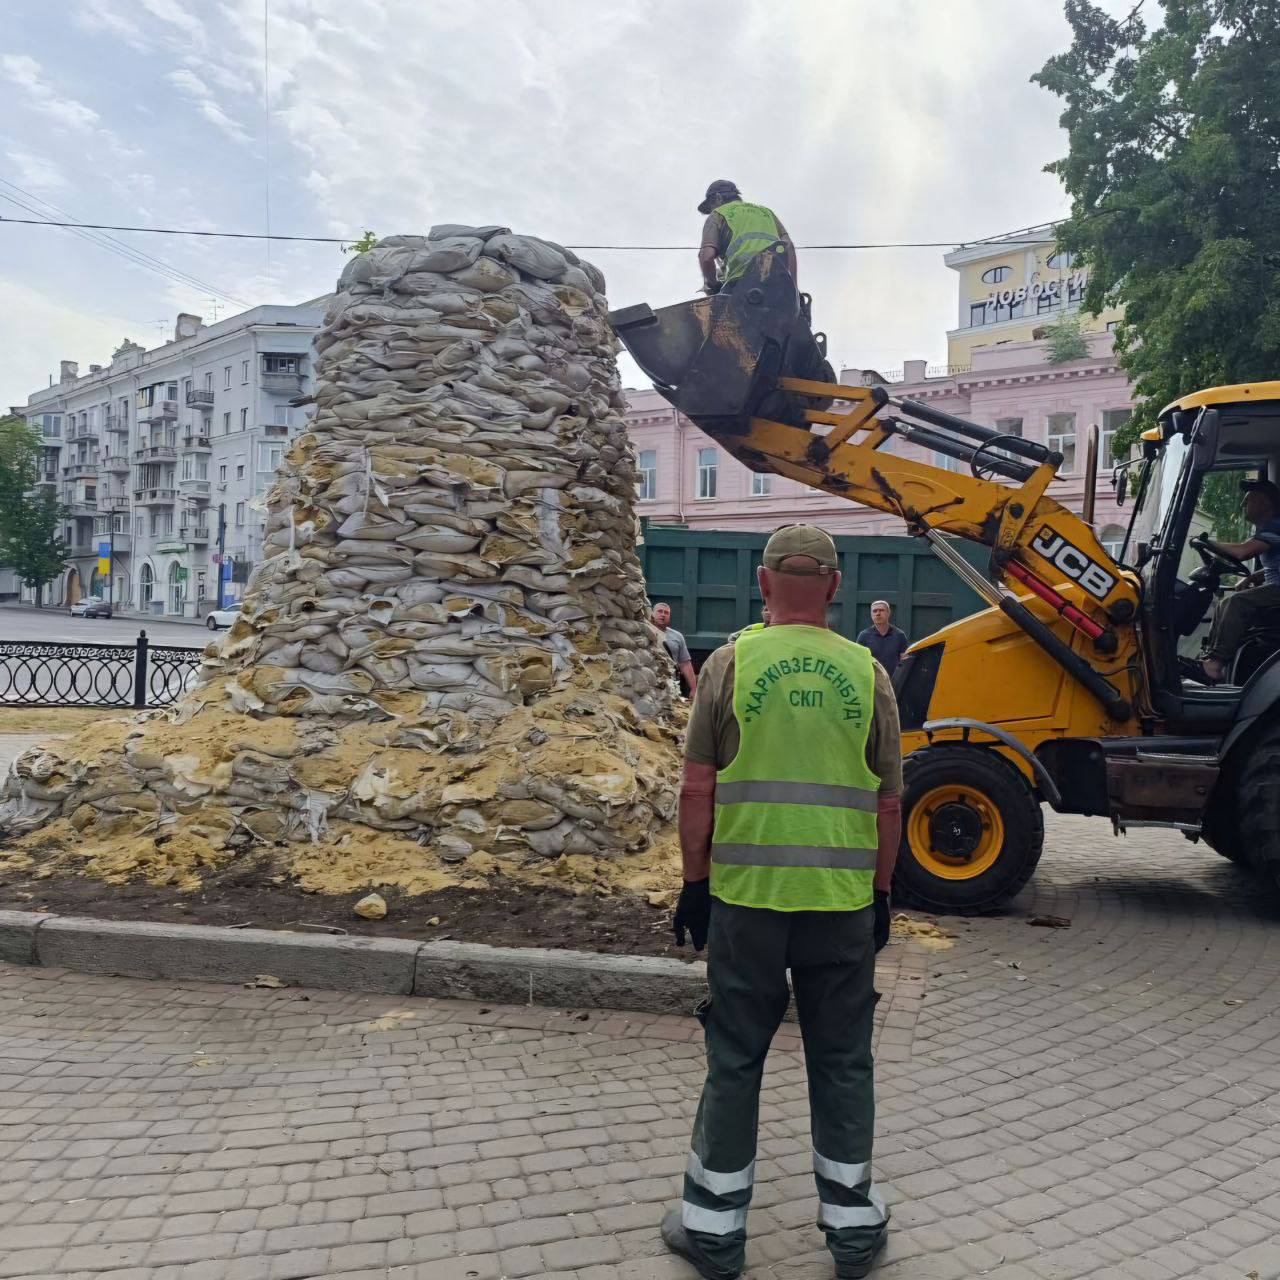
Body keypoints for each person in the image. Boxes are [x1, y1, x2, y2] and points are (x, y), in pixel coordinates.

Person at [661, 523, 903, 1280]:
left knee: (735, 1057)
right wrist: (882, 897)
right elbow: (890, 804)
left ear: (764, 585)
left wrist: (694, 885)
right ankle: (854, 1235)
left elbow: (696, 789)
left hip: (746, 903)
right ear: (835, 589)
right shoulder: (870, 676)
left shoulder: (729, 666)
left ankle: (714, 1232)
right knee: (842, 1062)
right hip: (839, 907)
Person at [1199, 479, 1280, 682]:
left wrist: (1206, 541)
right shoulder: (1266, 529)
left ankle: (1215, 664)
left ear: (1264, 504)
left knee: (1236, 602)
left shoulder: (1275, 527)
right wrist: (1254, 576)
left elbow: (1243, 552)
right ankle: (1210, 657)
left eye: (1249, 500)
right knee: (1224, 601)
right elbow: (1274, 565)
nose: (1244, 505)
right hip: (1275, 584)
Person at [698, 180, 798, 296]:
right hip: (779, 283)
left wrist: (713, 285)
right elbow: (789, 247)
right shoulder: (766, 212)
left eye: (711, 205)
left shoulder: (717, 214)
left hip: (741, 284)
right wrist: (794, 290)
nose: (711, 210)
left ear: (718, 198)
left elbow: (706, 257)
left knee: (716, 311)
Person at [654, 601, 697, 697]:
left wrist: (694, 689)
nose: (663, 615)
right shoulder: (643, 632)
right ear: (652, 614)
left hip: (670, 684)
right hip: (650, 682)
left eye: (666, 613)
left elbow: (685, 664)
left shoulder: (677, 636)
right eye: (660, 611)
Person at [856, 601, 910, 678]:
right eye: (874, 611)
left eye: (881, 610)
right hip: (873, 682)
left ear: (888, 613)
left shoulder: (899, 635)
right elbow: (859, 661)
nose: (878, 613)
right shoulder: (864, 636)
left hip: (894, 683)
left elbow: (905, 661)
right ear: (871, 615)